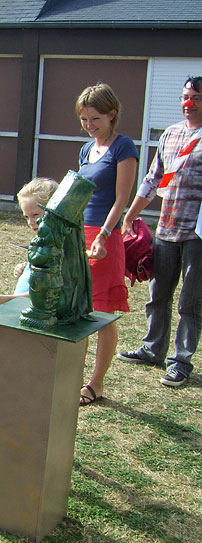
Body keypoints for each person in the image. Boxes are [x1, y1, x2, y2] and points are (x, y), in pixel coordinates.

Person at [119, 76, 202, 388]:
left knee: (190, 302)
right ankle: (153, 349)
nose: (189, 102)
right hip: (166, 229)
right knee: (158, 295)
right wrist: (131, 215)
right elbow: (153, 180)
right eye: (185, 96)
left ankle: (180, 361)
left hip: (198, 235)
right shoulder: (170, 135)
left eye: (196, 96)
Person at [75, 83, 138, 405]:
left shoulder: (123, 147)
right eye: (84, 119)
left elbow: (121, 199)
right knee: (80, 307)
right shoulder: (87, 150)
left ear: (112, 115)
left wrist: (103, 234)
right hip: (81, 233)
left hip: (105, 236)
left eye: (95, 119)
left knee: (101, 313)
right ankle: (73, 375)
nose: (89, 126)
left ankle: (96, 383)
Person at [0, 177, 59, 307]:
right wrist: (25, 268)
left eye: (35, 215)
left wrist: (12, 299)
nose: (30, 222)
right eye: (26, 217)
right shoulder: (39, 242)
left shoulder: (58, 248)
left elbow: (50, 292)